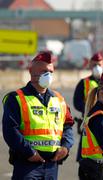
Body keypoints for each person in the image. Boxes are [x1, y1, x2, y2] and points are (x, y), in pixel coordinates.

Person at [2, 51, 74, 180]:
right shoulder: (16, 98)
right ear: (31, 72)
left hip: (52, 164)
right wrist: (30, 153)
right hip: (27, 163)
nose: (48, 75)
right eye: (44, 71)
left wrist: (65, 147)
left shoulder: (59, 99)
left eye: (51, 72)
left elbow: (68, 125)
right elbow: (10, 130)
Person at [73, 51, 103, 134]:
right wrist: (89, 109)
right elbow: (77, 102)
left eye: (99, 65)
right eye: (94, 65)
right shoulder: (83, 82)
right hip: (88, 121)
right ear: (90, 65)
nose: (97, 67)